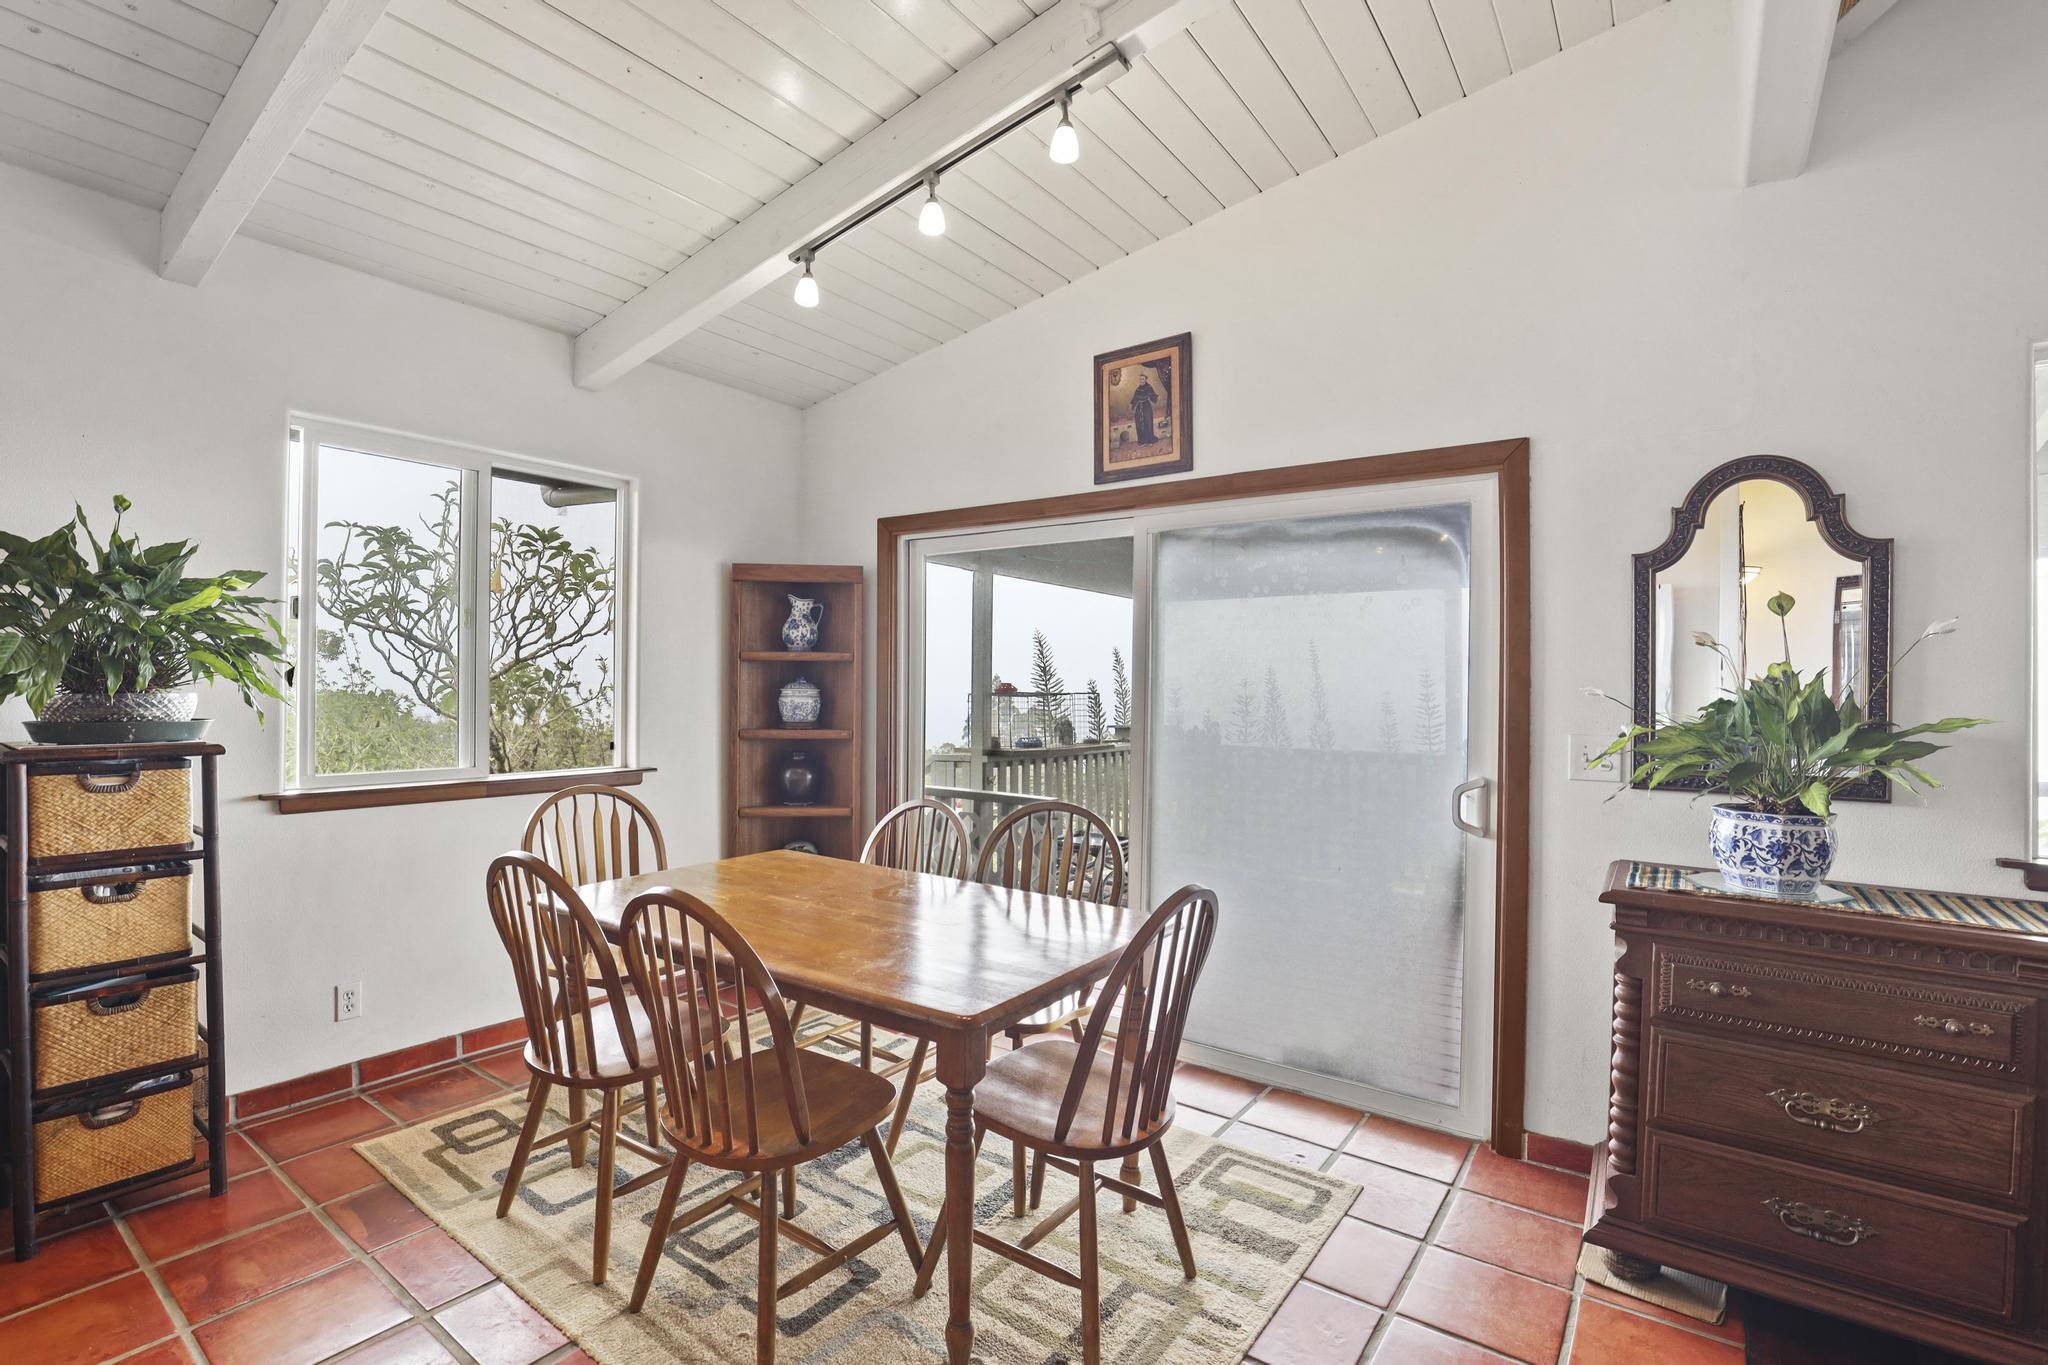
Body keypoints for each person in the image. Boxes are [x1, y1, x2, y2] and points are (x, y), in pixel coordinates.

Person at [1130, 372, 1158, 445]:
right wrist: (1132, 405)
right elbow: (1135, 398)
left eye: (1143, 379)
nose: (1141, 381)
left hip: (1146, 406)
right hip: (1139, 407)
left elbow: (1153, 395)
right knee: (1139, 423)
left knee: (1148, 422)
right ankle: (1142, 441)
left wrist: (1155, 397)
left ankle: (1150, 440)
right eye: (1140, 379)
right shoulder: (1138, 389)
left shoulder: (1149, 387)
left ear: (1145, 380)